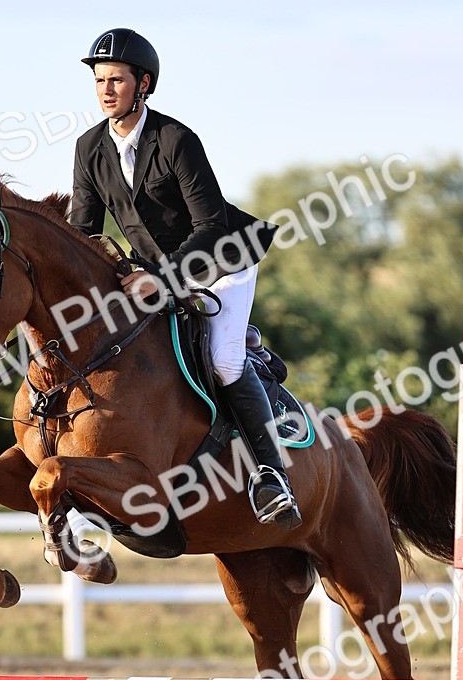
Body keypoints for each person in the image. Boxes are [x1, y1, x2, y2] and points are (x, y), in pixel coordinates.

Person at [69, 27, 302, 530]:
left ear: (144, 84)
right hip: (153, 266)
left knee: (222, 358)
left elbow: (211, 226)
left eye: (117, 80)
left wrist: (163, 278)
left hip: (224, 257)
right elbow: (83, 232)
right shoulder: (90, 148)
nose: (106, 89)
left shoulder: (175, 140)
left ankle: (270, 473)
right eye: (100, 80)